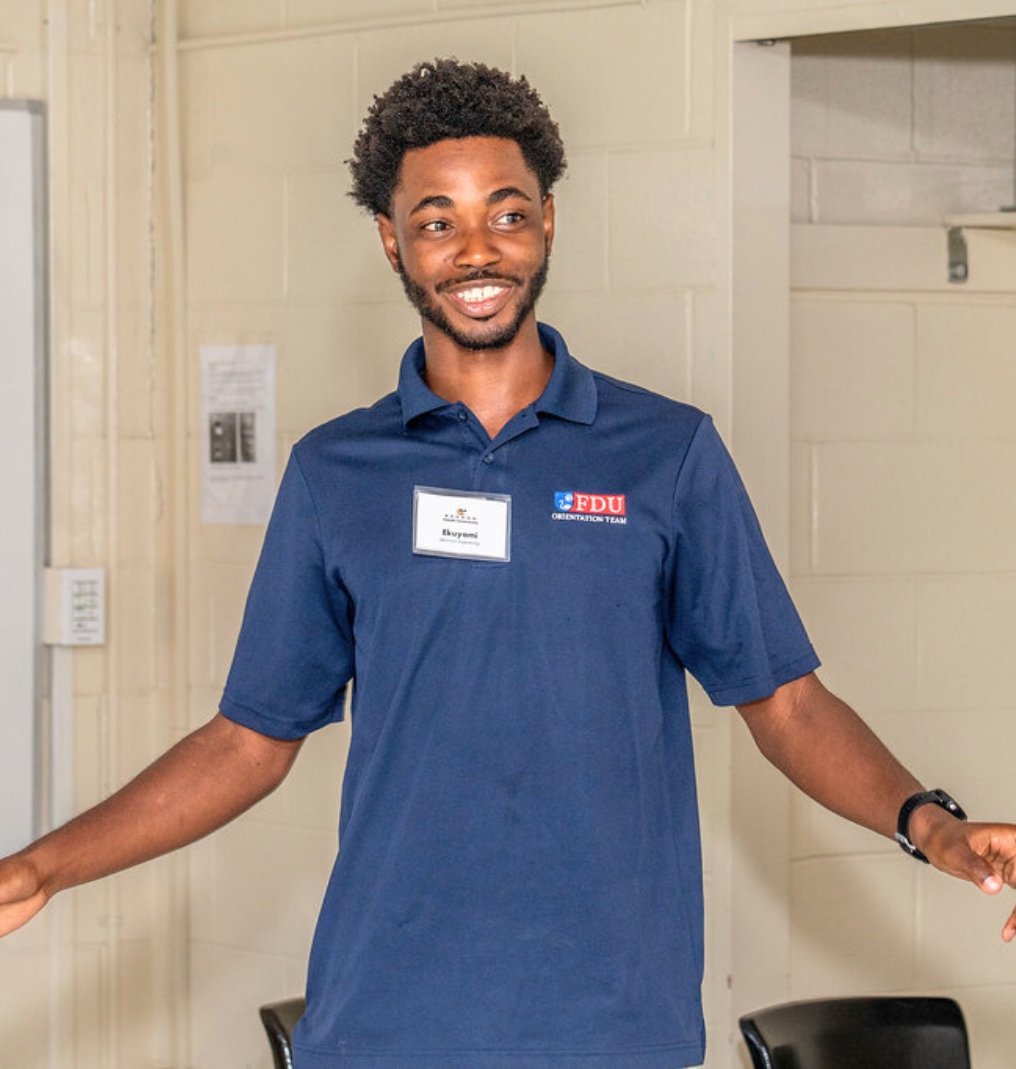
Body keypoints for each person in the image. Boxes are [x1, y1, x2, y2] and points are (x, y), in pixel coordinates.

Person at [2, 58, 1015, 1069]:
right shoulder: (334, 474)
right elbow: (246, 744)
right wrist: (45, 867)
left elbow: (786, 704)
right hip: (382, 1025)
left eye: (506, 213)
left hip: (614, 1026)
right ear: (391, 241)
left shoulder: (665, 454)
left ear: (547, 224)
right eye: (437, 220)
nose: (475, 247)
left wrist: (929, 827)